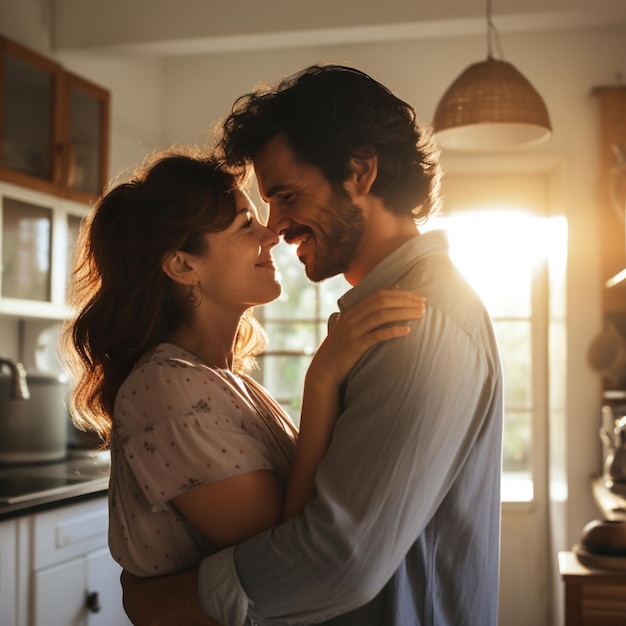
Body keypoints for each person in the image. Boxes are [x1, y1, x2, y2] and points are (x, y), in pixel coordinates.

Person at [123, 64, 504, 626]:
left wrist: (169, 603)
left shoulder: (420, 322)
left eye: (286, 195)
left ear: (360, 172)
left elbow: (339, 559)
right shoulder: (383, 317)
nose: (273, 228)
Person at [61, 146, 425, 582]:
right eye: (245, 225)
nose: (271, 235)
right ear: (182, 265)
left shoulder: (224, 381)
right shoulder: (165, 389)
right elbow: (285, 559)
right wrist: (322, 380)